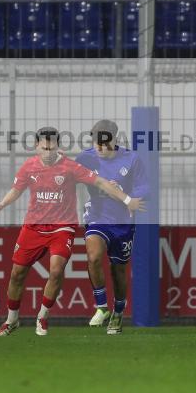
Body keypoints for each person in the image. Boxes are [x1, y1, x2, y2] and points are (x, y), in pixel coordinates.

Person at [0, 126, 145, 336]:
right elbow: (16, 190)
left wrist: (127, 199)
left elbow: (100, 181)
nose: (47, 151)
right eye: (44, 147)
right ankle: (12, 320)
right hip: (33, 226)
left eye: (51, 146)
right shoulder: (29, 167)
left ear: (57, 146)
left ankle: (43, 317)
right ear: (37, 146)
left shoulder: (70, 167)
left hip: (62, 227)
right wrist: (1, 204)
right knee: (17, 273)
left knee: (56, 270)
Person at [75, 120, 150, 335]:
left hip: (122, 221)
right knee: (94, 255)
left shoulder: (132, 159)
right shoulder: (86, 157)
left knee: (118, 269)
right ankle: (101, 307)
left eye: (103, 144)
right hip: (97, 216)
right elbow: (69, 175)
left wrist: (134, 198)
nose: (99, 148)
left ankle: (118, 311)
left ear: (115, 140)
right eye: (96, 143)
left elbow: (144, 186)